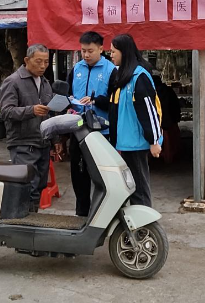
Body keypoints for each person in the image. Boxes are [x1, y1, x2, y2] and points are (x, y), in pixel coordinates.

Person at [65, 31, 116, 217]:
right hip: (78, 129)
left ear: (101, 49)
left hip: (101, 131)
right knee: (78, 172)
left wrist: (96, 100)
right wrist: (68, 106)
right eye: (83, 51)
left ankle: (103, 213)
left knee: (102, 174)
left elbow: (116, 101)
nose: (86, 55)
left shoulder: (111, 70)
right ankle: (82, 213)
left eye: (90, 51)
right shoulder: (76, 69)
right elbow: (68, 94)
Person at [108, 34, 162, 207]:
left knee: (140, 189)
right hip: (126, 142)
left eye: (113, 51)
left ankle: (146, 221)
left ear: (124, 52)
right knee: (133, 187)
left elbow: (148, 110)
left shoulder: (139, 76)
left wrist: (154, 140)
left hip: (137, 143)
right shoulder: (124, 76)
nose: (111, 55)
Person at [0, 44, 53, 212]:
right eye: (38, 61)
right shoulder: (13, 81)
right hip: (23, 143)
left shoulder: (45, 83)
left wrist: (56, 139)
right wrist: (31, 110)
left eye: (46, 62)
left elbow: (49, 114)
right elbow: (6, 111)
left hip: (43, 143)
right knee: (26, 187)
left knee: (39, 187)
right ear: (27, 60)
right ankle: (22, 221)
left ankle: (31, 219)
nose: (43, 66)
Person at [151, 71, 182, 164]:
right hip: (170, 121)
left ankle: (161, 157)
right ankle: (170, 157)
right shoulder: (168, 90)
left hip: (158, 122)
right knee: (172, 141)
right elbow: (176, 105)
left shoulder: (151, 92)